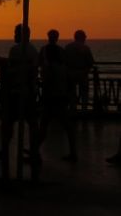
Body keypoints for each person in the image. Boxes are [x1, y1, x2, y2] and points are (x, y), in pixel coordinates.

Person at [2, 24, 40, 177]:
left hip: (17, 91)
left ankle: (4, 149)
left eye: (15, 32)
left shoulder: (16, 50)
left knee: (10, 121)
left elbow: (12, 70)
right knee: (32, 123)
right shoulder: (33, 49)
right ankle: (34, 152)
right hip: (30, 91)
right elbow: (34, 70)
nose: (13, 35)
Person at [38, 30, 76, 161]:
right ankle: (73, 152)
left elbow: (47, 79)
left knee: (44, 124)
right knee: (65, 125)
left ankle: (34, 150)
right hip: (61, 95)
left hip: (51, 96)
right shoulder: (62, 60)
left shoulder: (47, 58)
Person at [64, 30, 95, 114]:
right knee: (84, 92)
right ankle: (84, 109)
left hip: (70, 73)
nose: (86, 38)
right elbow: (91, 62)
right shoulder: (85, 48)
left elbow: (64, 61)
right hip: (82, 73)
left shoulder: (68, 47)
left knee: (71, 92)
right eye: (84, 36)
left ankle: (72, 109)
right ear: (81, 37)